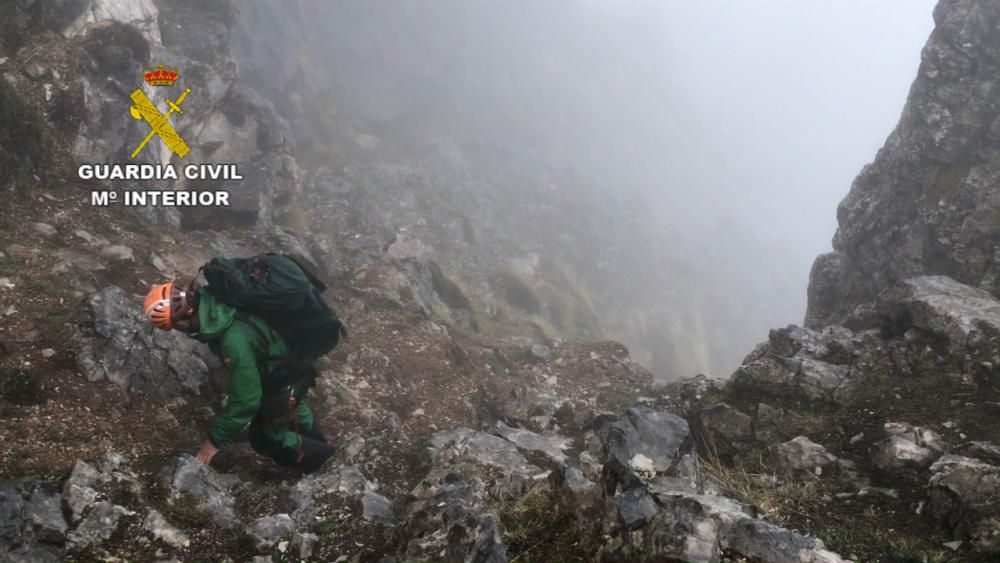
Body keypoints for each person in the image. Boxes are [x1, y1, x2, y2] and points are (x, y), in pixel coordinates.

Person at [143, 280, 335, 472]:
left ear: (184, 317)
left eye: (176, 326)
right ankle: (323, 447)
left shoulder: (232, 341)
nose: (180, 331)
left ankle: (324, 463)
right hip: (288, 362)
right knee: (292, 407)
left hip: (280, 374)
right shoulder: (215, 302)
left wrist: (214, 440)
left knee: (265, 438)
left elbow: (246, 401)